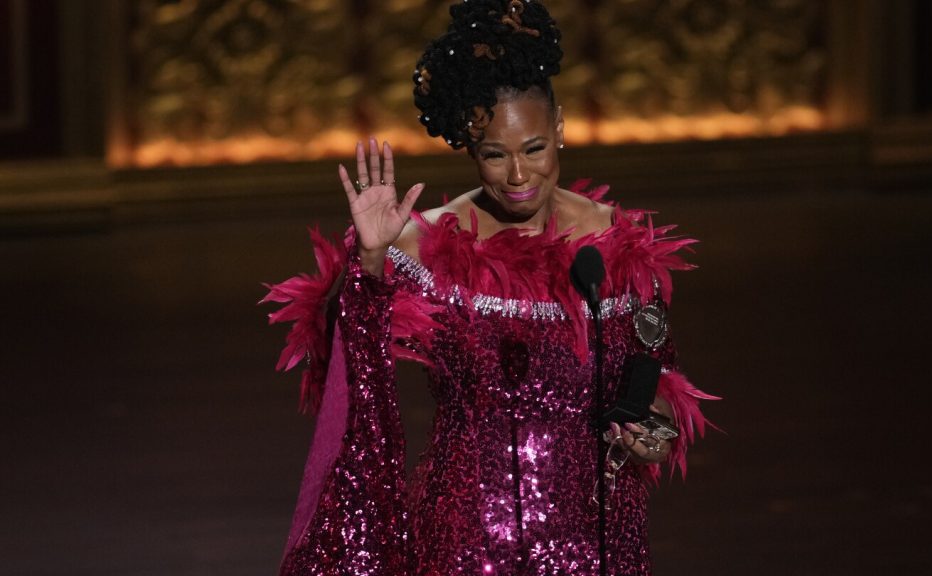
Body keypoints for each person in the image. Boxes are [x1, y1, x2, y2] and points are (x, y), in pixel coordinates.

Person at [262, 1, 716, 574]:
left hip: (595, 537)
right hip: (465, 538)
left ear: (559, 128)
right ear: (471, 149)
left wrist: (653, 433)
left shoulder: (615, 245)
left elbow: (658, 378)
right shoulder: (424, 245)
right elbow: (344, 367)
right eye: (495, 155)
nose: (519, 176)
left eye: (534, 149)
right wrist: (370, 262)